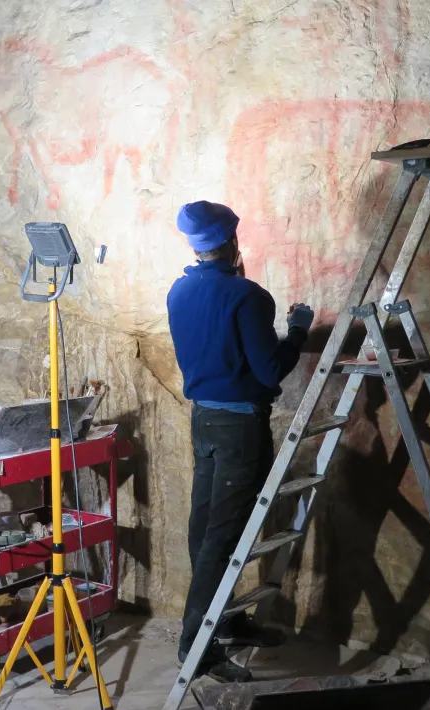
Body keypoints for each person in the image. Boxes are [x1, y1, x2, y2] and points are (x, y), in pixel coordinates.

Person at [166, 201, 314, 682]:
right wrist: (297, 331)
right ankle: (197, 649)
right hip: (240, 429)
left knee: (204, 526)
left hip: (204, 421)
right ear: (231, 240)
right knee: (222, 537)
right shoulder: (248, 296)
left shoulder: (179, 290)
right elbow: (271, 369)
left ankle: (225, 621)